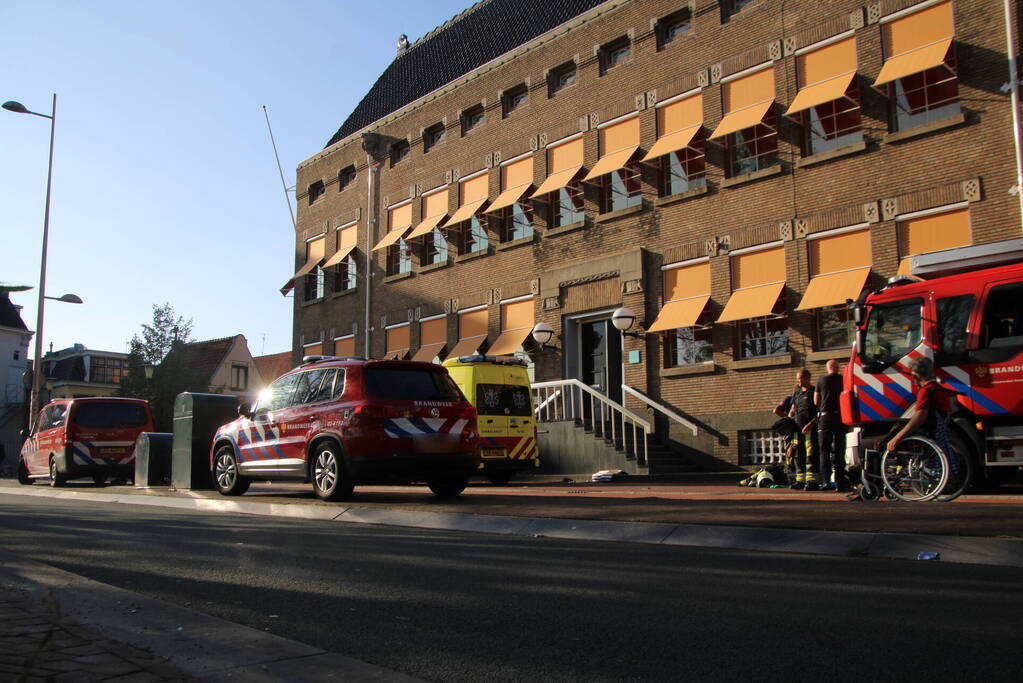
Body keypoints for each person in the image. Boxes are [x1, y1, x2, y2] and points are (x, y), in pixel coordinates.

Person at [884, 356, 953, 459]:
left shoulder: (925, 391)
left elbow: (920, 416)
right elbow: (947, 414)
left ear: (915, 376)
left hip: (928, 433)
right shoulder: (939, 389)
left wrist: (897, 438)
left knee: (895, 432)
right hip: (940, 435)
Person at [815, 359, 849, 491]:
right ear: (837, 367)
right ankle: (840, 482)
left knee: (824, 451)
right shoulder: (843, 380)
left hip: (825, 417)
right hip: (840, 416)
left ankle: (825, 481)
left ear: (827, 368)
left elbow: (815, 400)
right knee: (840, 451)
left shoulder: (821, 380)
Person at [788, 368, 820, 490]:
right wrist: (789, 417)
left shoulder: (814, 392)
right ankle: (800, 480)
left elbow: (819, 411)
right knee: (797, 454)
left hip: (810, 429)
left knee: (810, 454)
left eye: (800, 378)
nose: (798, 381)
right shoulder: (797, 393)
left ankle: (812, 481)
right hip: (797, 429)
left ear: (807, 378)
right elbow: (793, 409)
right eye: (797, 378)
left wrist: (810, 424)